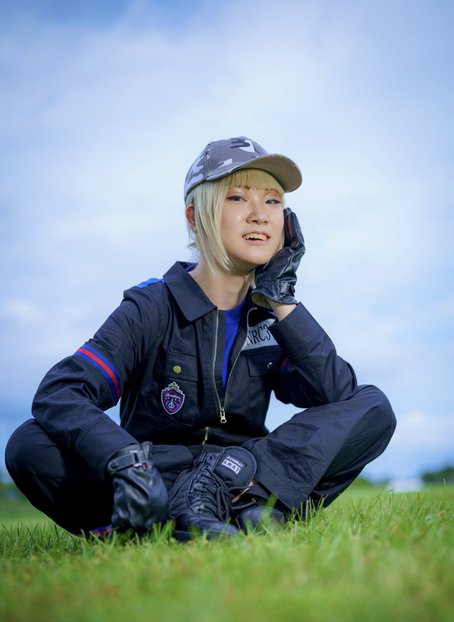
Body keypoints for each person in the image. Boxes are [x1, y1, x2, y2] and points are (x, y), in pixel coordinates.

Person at [5, 136, 396, 540]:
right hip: (158, 476)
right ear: (195, 217)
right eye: (237, 198)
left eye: (273, 201)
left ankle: (233, 507)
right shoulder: (151, 306)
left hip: (241, 476)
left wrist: (282, 298)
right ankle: (161, 525)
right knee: (28, 445)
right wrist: (126, 462)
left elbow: (338, 396)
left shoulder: (274, 317)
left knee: (374, 406)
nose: (260, 215)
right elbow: (61, 393)